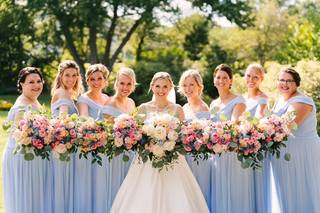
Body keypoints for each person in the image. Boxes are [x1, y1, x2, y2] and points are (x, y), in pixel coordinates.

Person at [111, 72, 209, 213]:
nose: (161, 90)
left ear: (170, 89)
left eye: (165, 87)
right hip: (147, 160)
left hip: (172, 160)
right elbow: (137, 136)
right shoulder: (143, 108)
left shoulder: (178, 109)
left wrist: (169, 142)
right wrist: (148, 144)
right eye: (157, 86)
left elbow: (181, 137)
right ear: (152, 86)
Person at [2, 67, 53, 213]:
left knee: (35, 199)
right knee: (26, 199)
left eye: (39, 81)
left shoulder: (34, 102)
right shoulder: (21, 108)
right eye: (31, 82)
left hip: (34, 156)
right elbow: (22, 137)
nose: (36, 85)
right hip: (23, 158)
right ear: (22, 84)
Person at [271, 68, 320, 212]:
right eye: (281, 80)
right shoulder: (280, 99)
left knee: (302, 188)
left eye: (289, 81)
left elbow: (287, 126)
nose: (284, 84)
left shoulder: (302, 101)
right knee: (287, 189)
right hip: (286, 151)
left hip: (302, 152)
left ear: (296, 83)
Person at [210, 64, 255, 213]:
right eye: (218, 77)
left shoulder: (239, 101)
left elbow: (235, 122)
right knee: (220, 189)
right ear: (214, 80)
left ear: (231, 81)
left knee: (233, 189)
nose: (221, 80)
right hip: (216, 153)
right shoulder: (214, 103)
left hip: (232, 152)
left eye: (225, 78)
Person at [76, 64, 110, 212]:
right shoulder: (83, 99)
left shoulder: (108, 98)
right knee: (90, 182)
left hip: (106, 145)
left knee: (102, 183)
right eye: (92, 79)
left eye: (99, 78)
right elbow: (84, 119)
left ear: (105, 80)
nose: (96, 82)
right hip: (89, 145)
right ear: (87, 81)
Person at [51, 60, 83, 213]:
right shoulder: (62, 93)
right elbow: (63, 120)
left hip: (66, 145)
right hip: (62, 146)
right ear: (60, 76)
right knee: (62, 184)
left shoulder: (65, 92)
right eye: (67, 75)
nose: (71, 79)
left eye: (74, 75)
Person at [178, 69, 213, 210]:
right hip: (186, 156)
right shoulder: (184, 107)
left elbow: (205, 136)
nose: (188, 89)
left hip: (199, 156)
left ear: (200, 86)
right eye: (185, 85)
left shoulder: (203, 108)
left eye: (191, 84)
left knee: (199, 191)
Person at [103, 67, 136, 209]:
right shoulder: (110, 103)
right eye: (122, 83)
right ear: (116, 83)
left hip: (129, 151)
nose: (125, 87)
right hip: (114, 153)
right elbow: (109, 133)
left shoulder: (131, 103)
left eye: (129, 84)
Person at [244, 64, 271, 213]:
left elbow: (261, 116)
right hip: (244, 146)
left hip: (257, 145)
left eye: (255, 77)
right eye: (248, 76)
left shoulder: (263, 98)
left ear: (261, 79)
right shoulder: (242, 98)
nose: (251, 80)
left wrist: (248, 125)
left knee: (258, 184)